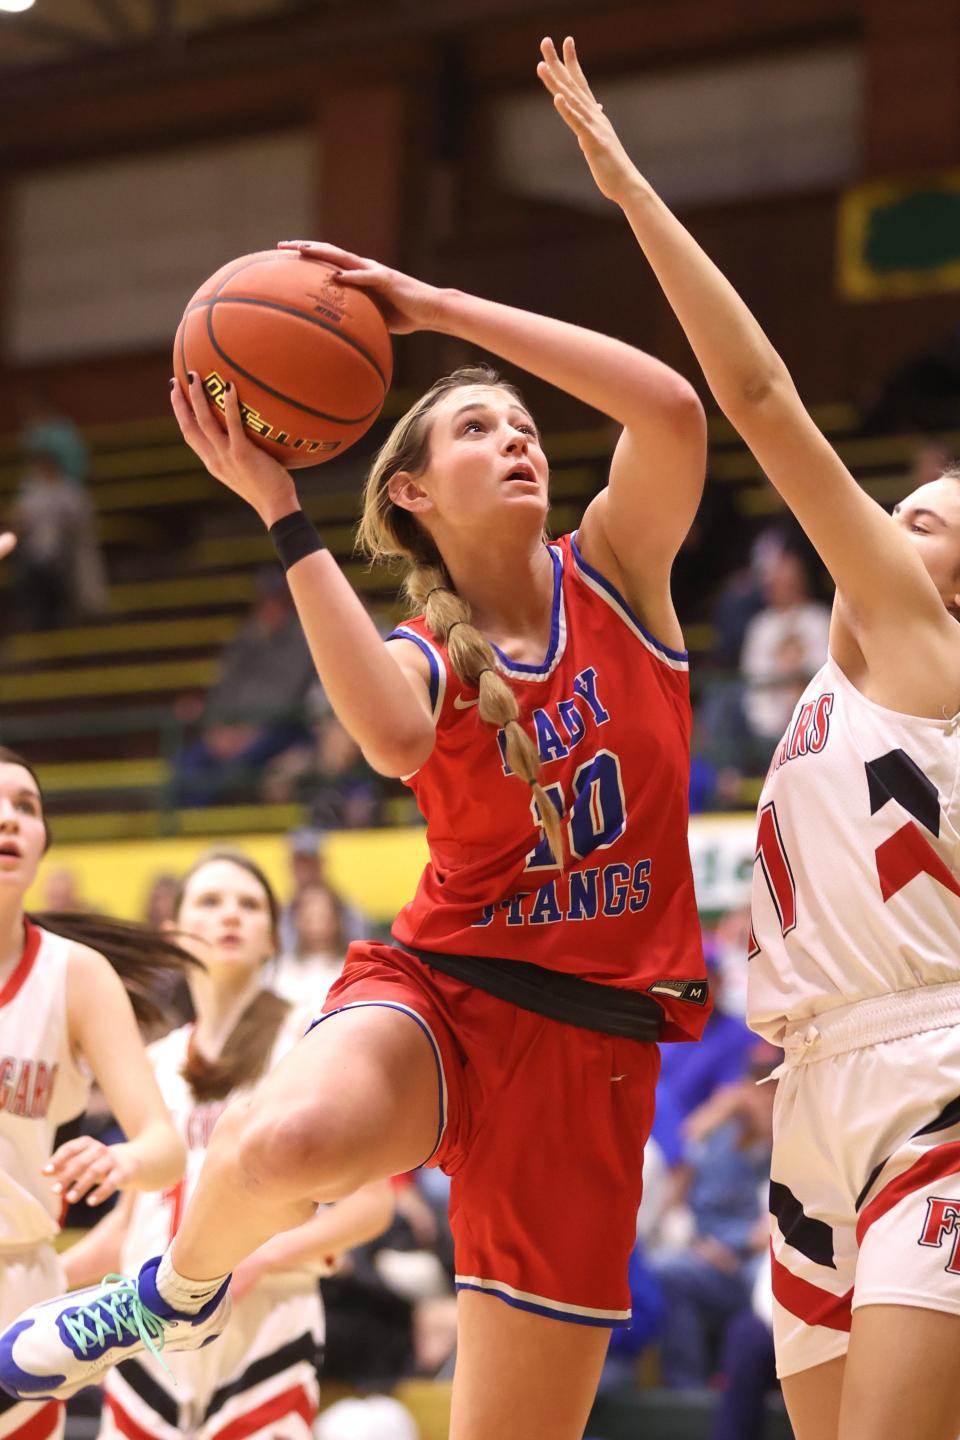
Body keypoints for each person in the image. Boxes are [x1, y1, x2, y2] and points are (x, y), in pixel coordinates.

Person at [0, 48, 711, 1438]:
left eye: (522, 425)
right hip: (444, 993)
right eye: (476, 427)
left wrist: (440, 309)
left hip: (600, 1045)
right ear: (411, 491)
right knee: (290, 1138)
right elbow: (388, 741)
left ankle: (184, 1278)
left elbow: (674, 410)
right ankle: (177, 1288)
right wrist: (280, 509)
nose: (517, 438)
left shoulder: (621, 573)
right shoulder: (425, 654)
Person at [534, 34, 960, 1440]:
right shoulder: (844, 686)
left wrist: (627, 184)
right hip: (816, 1089)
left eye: (930, 519)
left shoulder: (920, 645)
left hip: (932, 1080)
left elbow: (761, 402)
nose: (898, 520)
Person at [63, 849, 393, 1440]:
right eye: (211, 902)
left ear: (272, 937)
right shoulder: (153, 1061)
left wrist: (260, 1257)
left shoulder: (312, 1039)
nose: (230, 916)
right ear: (174, 932)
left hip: (264, 1322)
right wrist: (42, 1275)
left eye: (249, 904)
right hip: (148, 1331)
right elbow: (125, 1228)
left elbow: (372, 1207)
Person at [0, 745, 194, 1440]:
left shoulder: (75, 975)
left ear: (45, 838)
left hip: (17, 1289)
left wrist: (123, 1163)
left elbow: (164, 1145)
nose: (10, 819)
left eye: (27, 806)